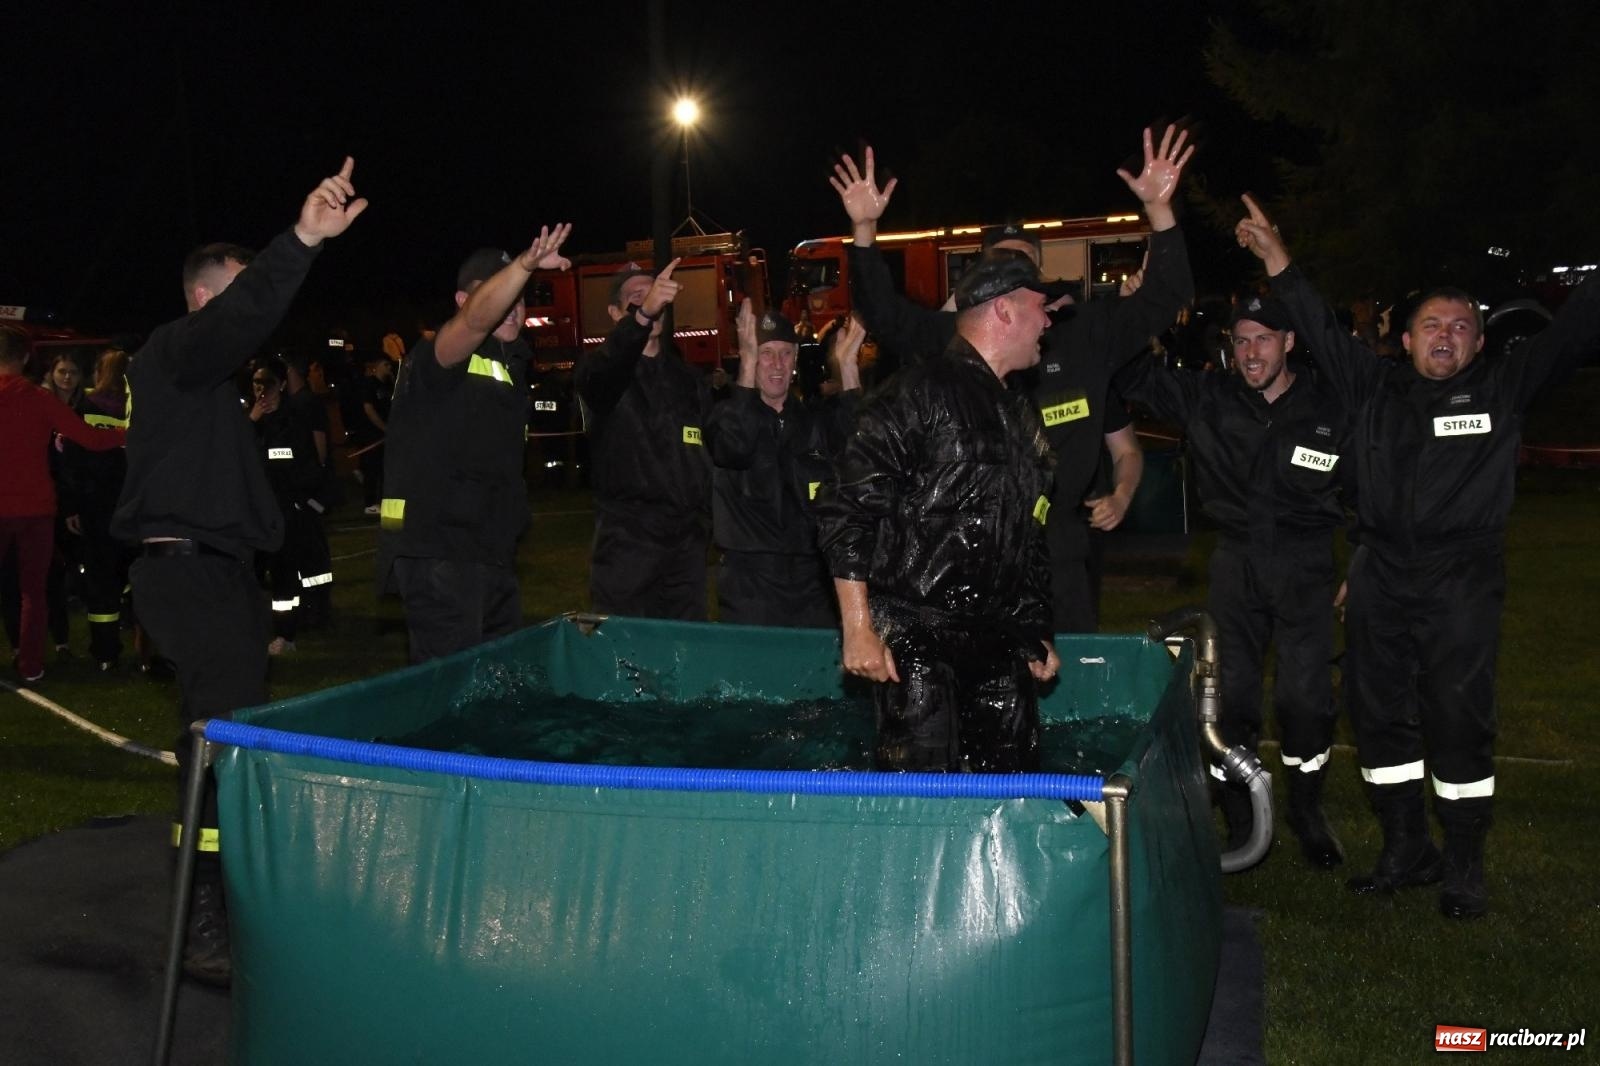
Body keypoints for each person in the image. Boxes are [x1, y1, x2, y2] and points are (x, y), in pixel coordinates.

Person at [1235, 193, 1600, 917]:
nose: (1446, 336)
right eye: (1432, 325)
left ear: (1479, 343)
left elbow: (1577, 331)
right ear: (1403, 340)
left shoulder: (1503, 388)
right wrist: (1278, 261)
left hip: (1462, 576)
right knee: (1378, 716)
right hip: (1380, 573)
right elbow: (1316, 327)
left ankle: (1463, 860)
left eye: (1462, 327)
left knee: (1459, 716)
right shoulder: (1373, 388)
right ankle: (1407, 845)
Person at [112, 157, 366, 984]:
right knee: (218, 752)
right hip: (189, 575)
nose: (255, 311)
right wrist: (299, 242)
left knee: (228, 746)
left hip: (215, 577)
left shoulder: (204, 385)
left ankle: (220, 896)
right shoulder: (173, 351)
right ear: (201, 299)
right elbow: (241, 320)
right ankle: (204, 915)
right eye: (241, 290)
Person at [831, 125, 1193, 633]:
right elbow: (886, 316)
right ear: (988, 293)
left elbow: (1164, 297)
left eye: (1028, 266)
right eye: (1004, 268)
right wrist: (865, 232)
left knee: (1066, 694)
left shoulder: (1084, 332)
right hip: (975, 550)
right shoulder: (958, 340)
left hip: (1061, 548)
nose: (1019, 278)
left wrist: (1159, 210)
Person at [1116, 292, 1353, 868]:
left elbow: (1373, 483)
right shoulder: (1207, 398)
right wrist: (1132, 311)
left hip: (1306, 565)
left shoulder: (1331, 403)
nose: (1250, 352)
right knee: (1231, 699)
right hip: (1236, 564)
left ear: (1289, 343)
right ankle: (1240, 814)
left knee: (1306, 700)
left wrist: (1362, 560)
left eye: (1264, 339)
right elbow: (1127, 371)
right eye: (1241, 340)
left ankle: (1305, 809)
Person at [815, 252, 1061, 772]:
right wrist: (858, 625)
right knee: (923, 790)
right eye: (1040, 306)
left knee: (1013, 786)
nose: (1048, 319)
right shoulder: (915, 394)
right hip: (915, 634)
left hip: (997, 636)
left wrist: (1036, 626)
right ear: (1004, 311)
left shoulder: (1022, 417)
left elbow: (1030, 531)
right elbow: (847, 505)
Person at [376, 226, 573, 664]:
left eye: (520, 296)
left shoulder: (512, 364)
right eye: (501, 294)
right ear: (464, 301)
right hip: (439, 552)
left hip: (491, 549)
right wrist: (523, 265)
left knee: (496, 685)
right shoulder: (440, 354)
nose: (513, 306)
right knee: (452, 690)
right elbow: (476, 322)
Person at [705, 302, 862, 627]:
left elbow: (860, 444)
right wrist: (746, 365)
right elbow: (734, 447)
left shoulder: (812, 420)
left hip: (811, 583)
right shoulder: (725, 416)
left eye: (785, 353)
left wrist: (847, 367)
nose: (777, 364)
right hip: (750, 582)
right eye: (765, 353)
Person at [575, 259, 714, 619]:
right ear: (613, 312)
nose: (648, 302)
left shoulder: (688, 379)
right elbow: (606, 371)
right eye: (635, 298)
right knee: (628, 652)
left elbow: (707, 452)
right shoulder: (599, 370)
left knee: (686, 649)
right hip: (628, 543)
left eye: (652, 296)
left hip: (685, 544)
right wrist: (642, 316)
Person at [0, 328, 126, 683]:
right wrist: (130, 435)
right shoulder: (39, 399)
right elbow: (89, 438)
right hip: (36, 509)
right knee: (33, 591)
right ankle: (31, 665)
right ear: (25, 358)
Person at [58, 347, 135, 670]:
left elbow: (70, 462)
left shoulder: (84, 407)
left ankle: (105, 653)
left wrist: (71, 506)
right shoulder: (138, 410)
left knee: (100, 579)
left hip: (95, 505)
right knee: (133, 573)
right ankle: (149, 650)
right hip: (133, 505)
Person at [248, 357, 326, 655]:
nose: (261, 390)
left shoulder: (294, 419)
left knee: (284, 576)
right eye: (256, 383)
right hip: (254, 512)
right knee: (248, 576)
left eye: (267, 383)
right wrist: (252, 421)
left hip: (284, 511)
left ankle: (286, 634)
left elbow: (304, 464)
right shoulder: (249, 421)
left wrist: (301, 502)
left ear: (281, 384)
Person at [351, 350, 394, 515]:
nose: (388, 368)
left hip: (385, 435)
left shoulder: (388, 385)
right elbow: (368, 409)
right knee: (372, 470)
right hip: (372, 434)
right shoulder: (369, 384)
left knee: (385, 469)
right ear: (376, 367)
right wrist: (383, 427)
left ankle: (384, 502)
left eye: (389, 365)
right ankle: (370, 503)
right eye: (385, 365)